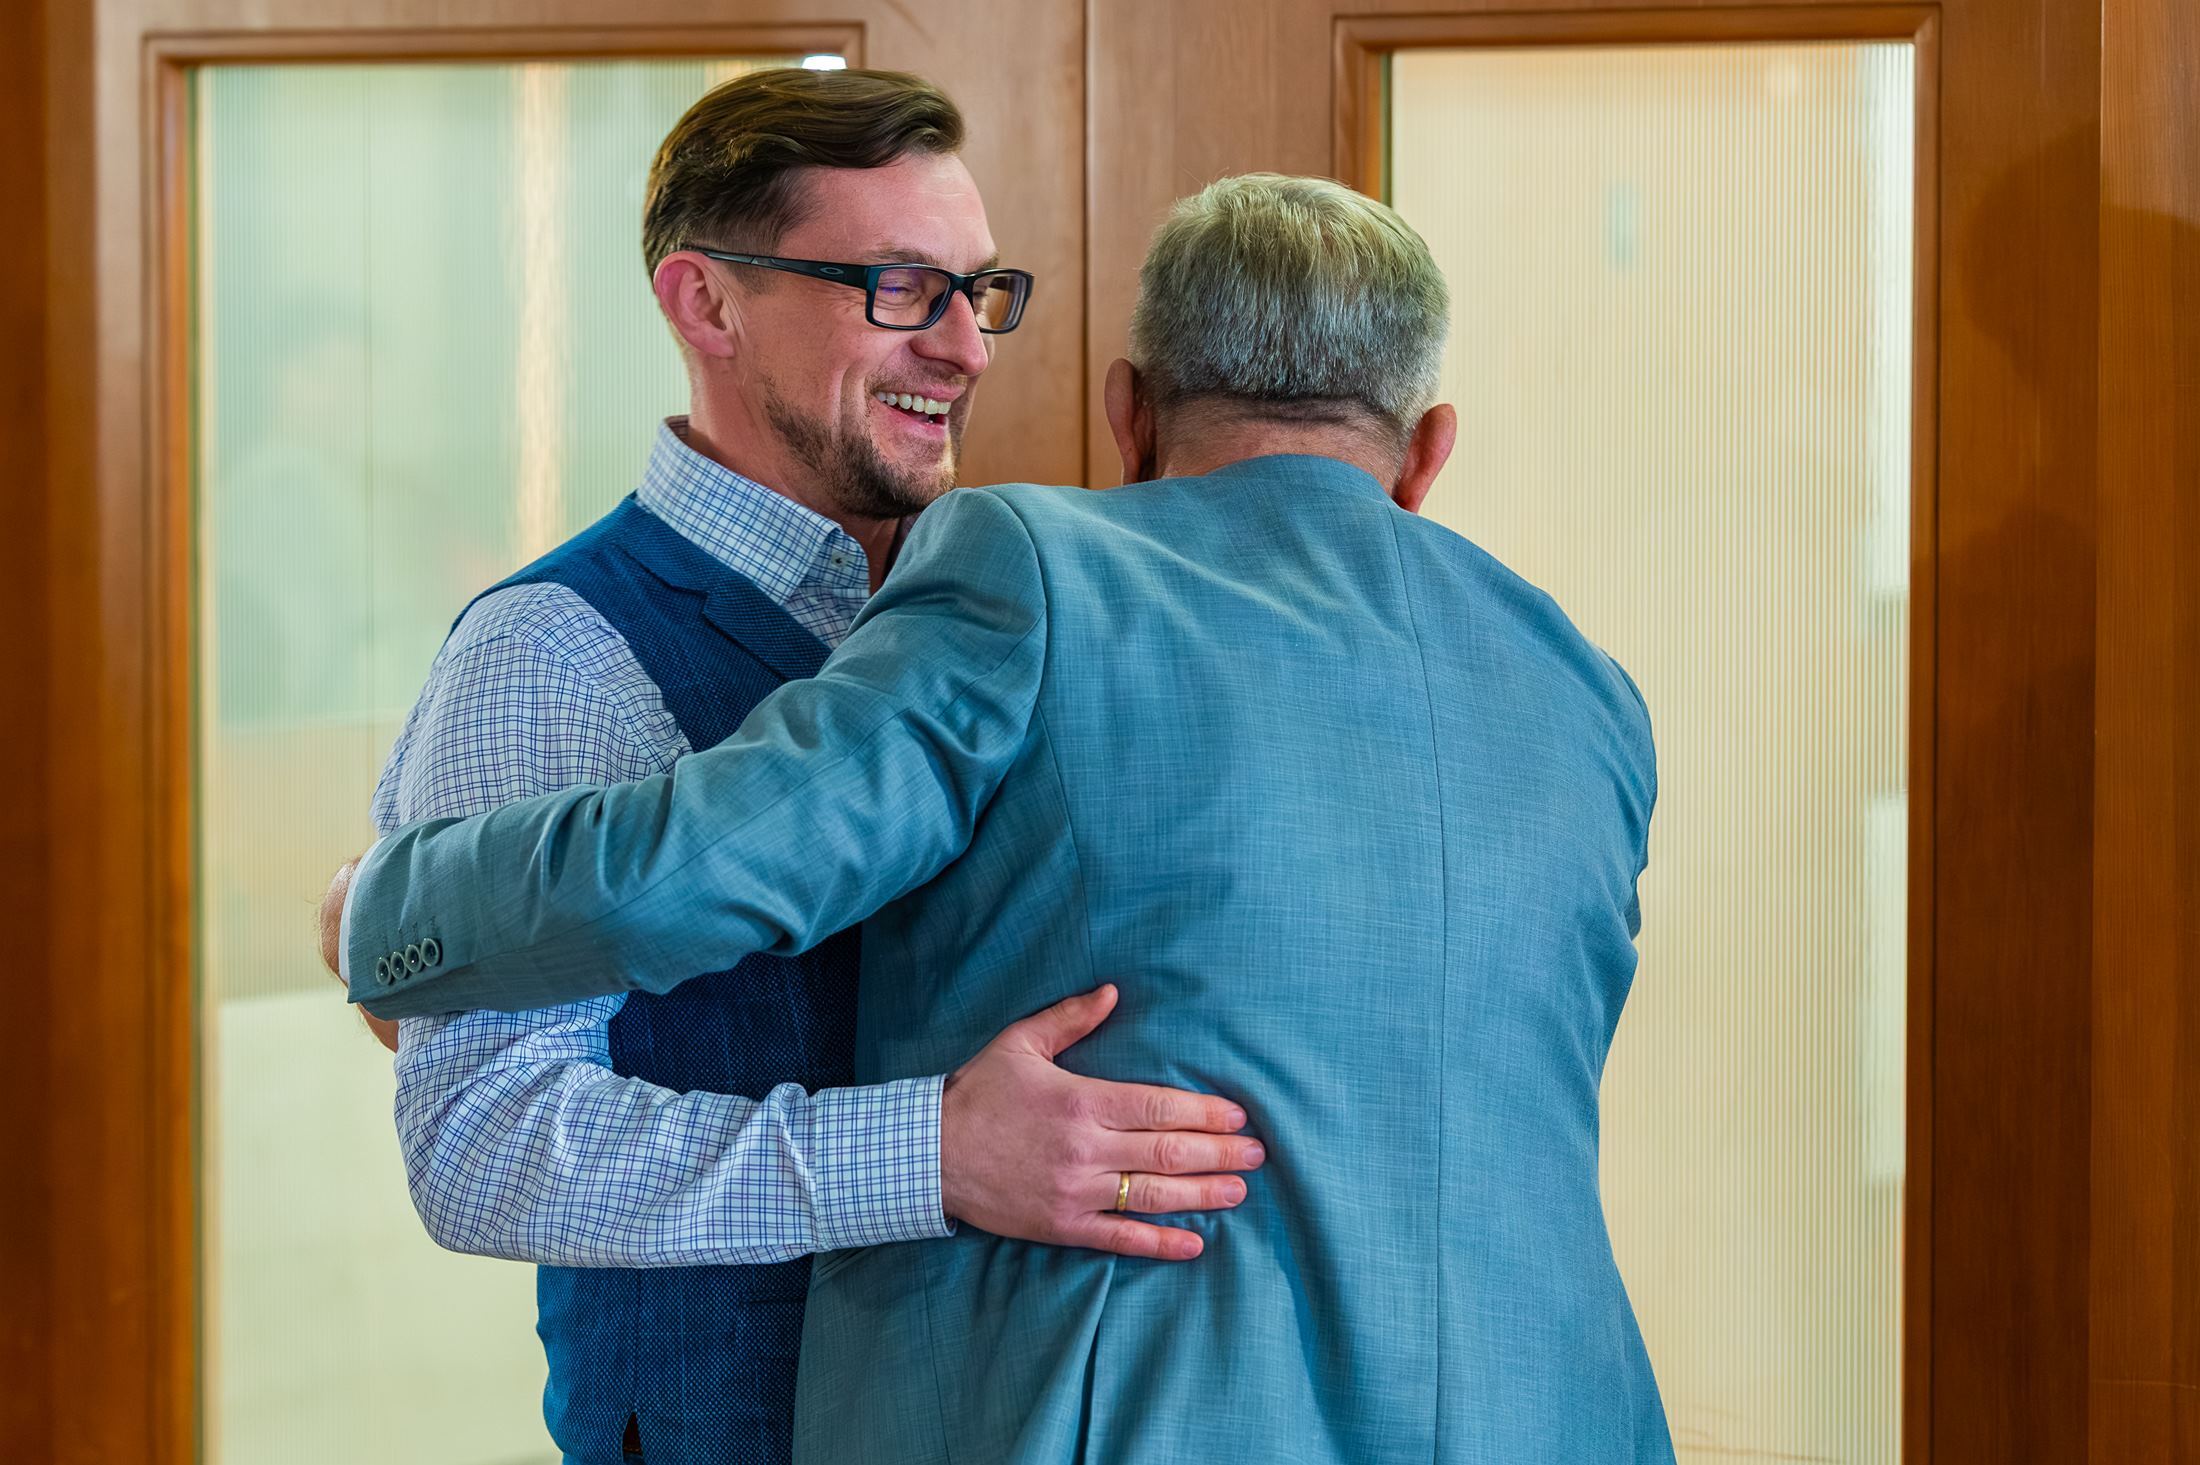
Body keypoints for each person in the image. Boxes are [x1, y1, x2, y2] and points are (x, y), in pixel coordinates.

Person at [332, 172, 1673, 1462]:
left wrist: (383, 911)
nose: (958, 343)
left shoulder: (1039, 570)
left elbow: (688, 871)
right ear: (1429, 451)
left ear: (1128, 415)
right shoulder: (1588, 692)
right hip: (1566, 1416)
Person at [335, 68, 1264, 1465]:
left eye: (979, 290)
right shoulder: (552, 651)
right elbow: (480, 1142)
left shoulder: (1012, 605)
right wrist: (931, 1155)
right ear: (706, 303)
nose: (965, 347)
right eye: (901, 288)